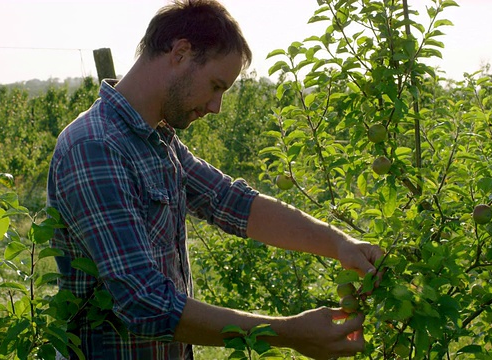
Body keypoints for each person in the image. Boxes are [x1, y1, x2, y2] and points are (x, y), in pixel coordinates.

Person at [46, 0, 383, 359]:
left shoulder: (156, 140)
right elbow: (144, 301)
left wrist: (340, 244)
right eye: (216, 85)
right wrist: (285, 333)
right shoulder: (96, 146)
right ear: (180, 52)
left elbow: (231, 201)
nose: (216, 107)